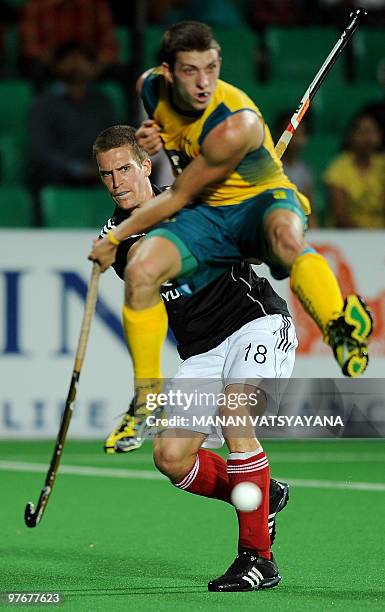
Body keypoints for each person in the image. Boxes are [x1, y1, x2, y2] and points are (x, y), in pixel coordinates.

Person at [89, 21, 372, 417]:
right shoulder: (151, 89)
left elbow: (193, 202)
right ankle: (259, 481)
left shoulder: (236, 124)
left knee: (284, 240)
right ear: (170, 73)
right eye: (190, 71)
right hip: (200, 345)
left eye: (211, 69)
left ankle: (338, 326)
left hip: (248, 295)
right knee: (171, 455)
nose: (203, 82)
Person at [93, 124, 296, 591]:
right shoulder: (121, 237)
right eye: (107, 174)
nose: (117, 182)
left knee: (234, 415)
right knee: (170, 457)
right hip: (202, 349)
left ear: (146, 166)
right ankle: (261, 496)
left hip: (255, 323)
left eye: (125, 168)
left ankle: (257, 559)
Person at [28, 43, 116, 191]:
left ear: (93, 67)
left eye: (83, 60)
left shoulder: (102, 102)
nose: (76, 65)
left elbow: (114, 139)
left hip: (99, 175)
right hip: (57, 178)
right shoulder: (43, 104)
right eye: (69, 59)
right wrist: (78, 169)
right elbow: (40, 151)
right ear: (56, 65)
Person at [19, 0, 119, 88]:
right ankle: (46, 107)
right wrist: (58, 66)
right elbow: (31, 46)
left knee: (120, 72)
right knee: (37, 70)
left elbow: (109, 46)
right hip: (52, 63)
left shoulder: (96, 4)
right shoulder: (37, 4)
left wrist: (95, 66)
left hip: (89, 63)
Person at [323, 113, 385, 228]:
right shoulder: (339, 167)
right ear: (351, 136)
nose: (368, 137)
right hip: (349, 235)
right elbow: (339, 213)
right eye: (363, 132)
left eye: (372, 131)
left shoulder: (382, 165)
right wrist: (362, 237)